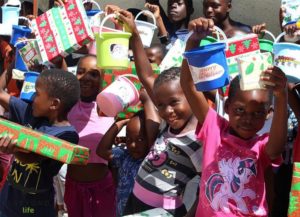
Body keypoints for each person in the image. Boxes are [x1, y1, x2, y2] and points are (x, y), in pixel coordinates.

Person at [180, 17, 288, 216]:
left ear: (268, 114)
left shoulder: (261, 146)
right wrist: (193, 42)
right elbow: (188, 86)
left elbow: (277, 148)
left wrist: (282, 97)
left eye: (257, 113)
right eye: (240, 110)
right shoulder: (214, 127)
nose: (247, 119)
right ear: (228, 106)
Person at [112, 10, 202, 217]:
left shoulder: (198, 137)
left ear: (190, 95)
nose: (167, 111)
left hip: (164, 212)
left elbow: (206, 184)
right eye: (160, 105)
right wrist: (134, 33)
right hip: (135, 201)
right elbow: (146, 75)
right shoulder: (169, 124)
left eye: (174, 103)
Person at [0, 68, 80, 217]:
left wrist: (13, 149)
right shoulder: (29, 112)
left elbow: (32, 157)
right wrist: (11, 65)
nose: (31, 97)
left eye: (37, 93)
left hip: (34, 209)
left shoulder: (67, 135)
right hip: (6, 202)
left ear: (54, 104)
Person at [64, 54, 116, 217]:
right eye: (80, 72)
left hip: (103, 189)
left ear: (103, 78)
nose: (85, 78)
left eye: (94, 74)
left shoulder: (111, 108)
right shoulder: (67, 104)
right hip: (73, 188)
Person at [97, 89, 160, 217]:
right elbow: (101, 151)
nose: (133, 145)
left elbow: (154, 130)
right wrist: (120, 123)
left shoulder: (153, 158)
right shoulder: (124, 156)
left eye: (140, 139)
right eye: (129, 139)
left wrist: (147, 101)